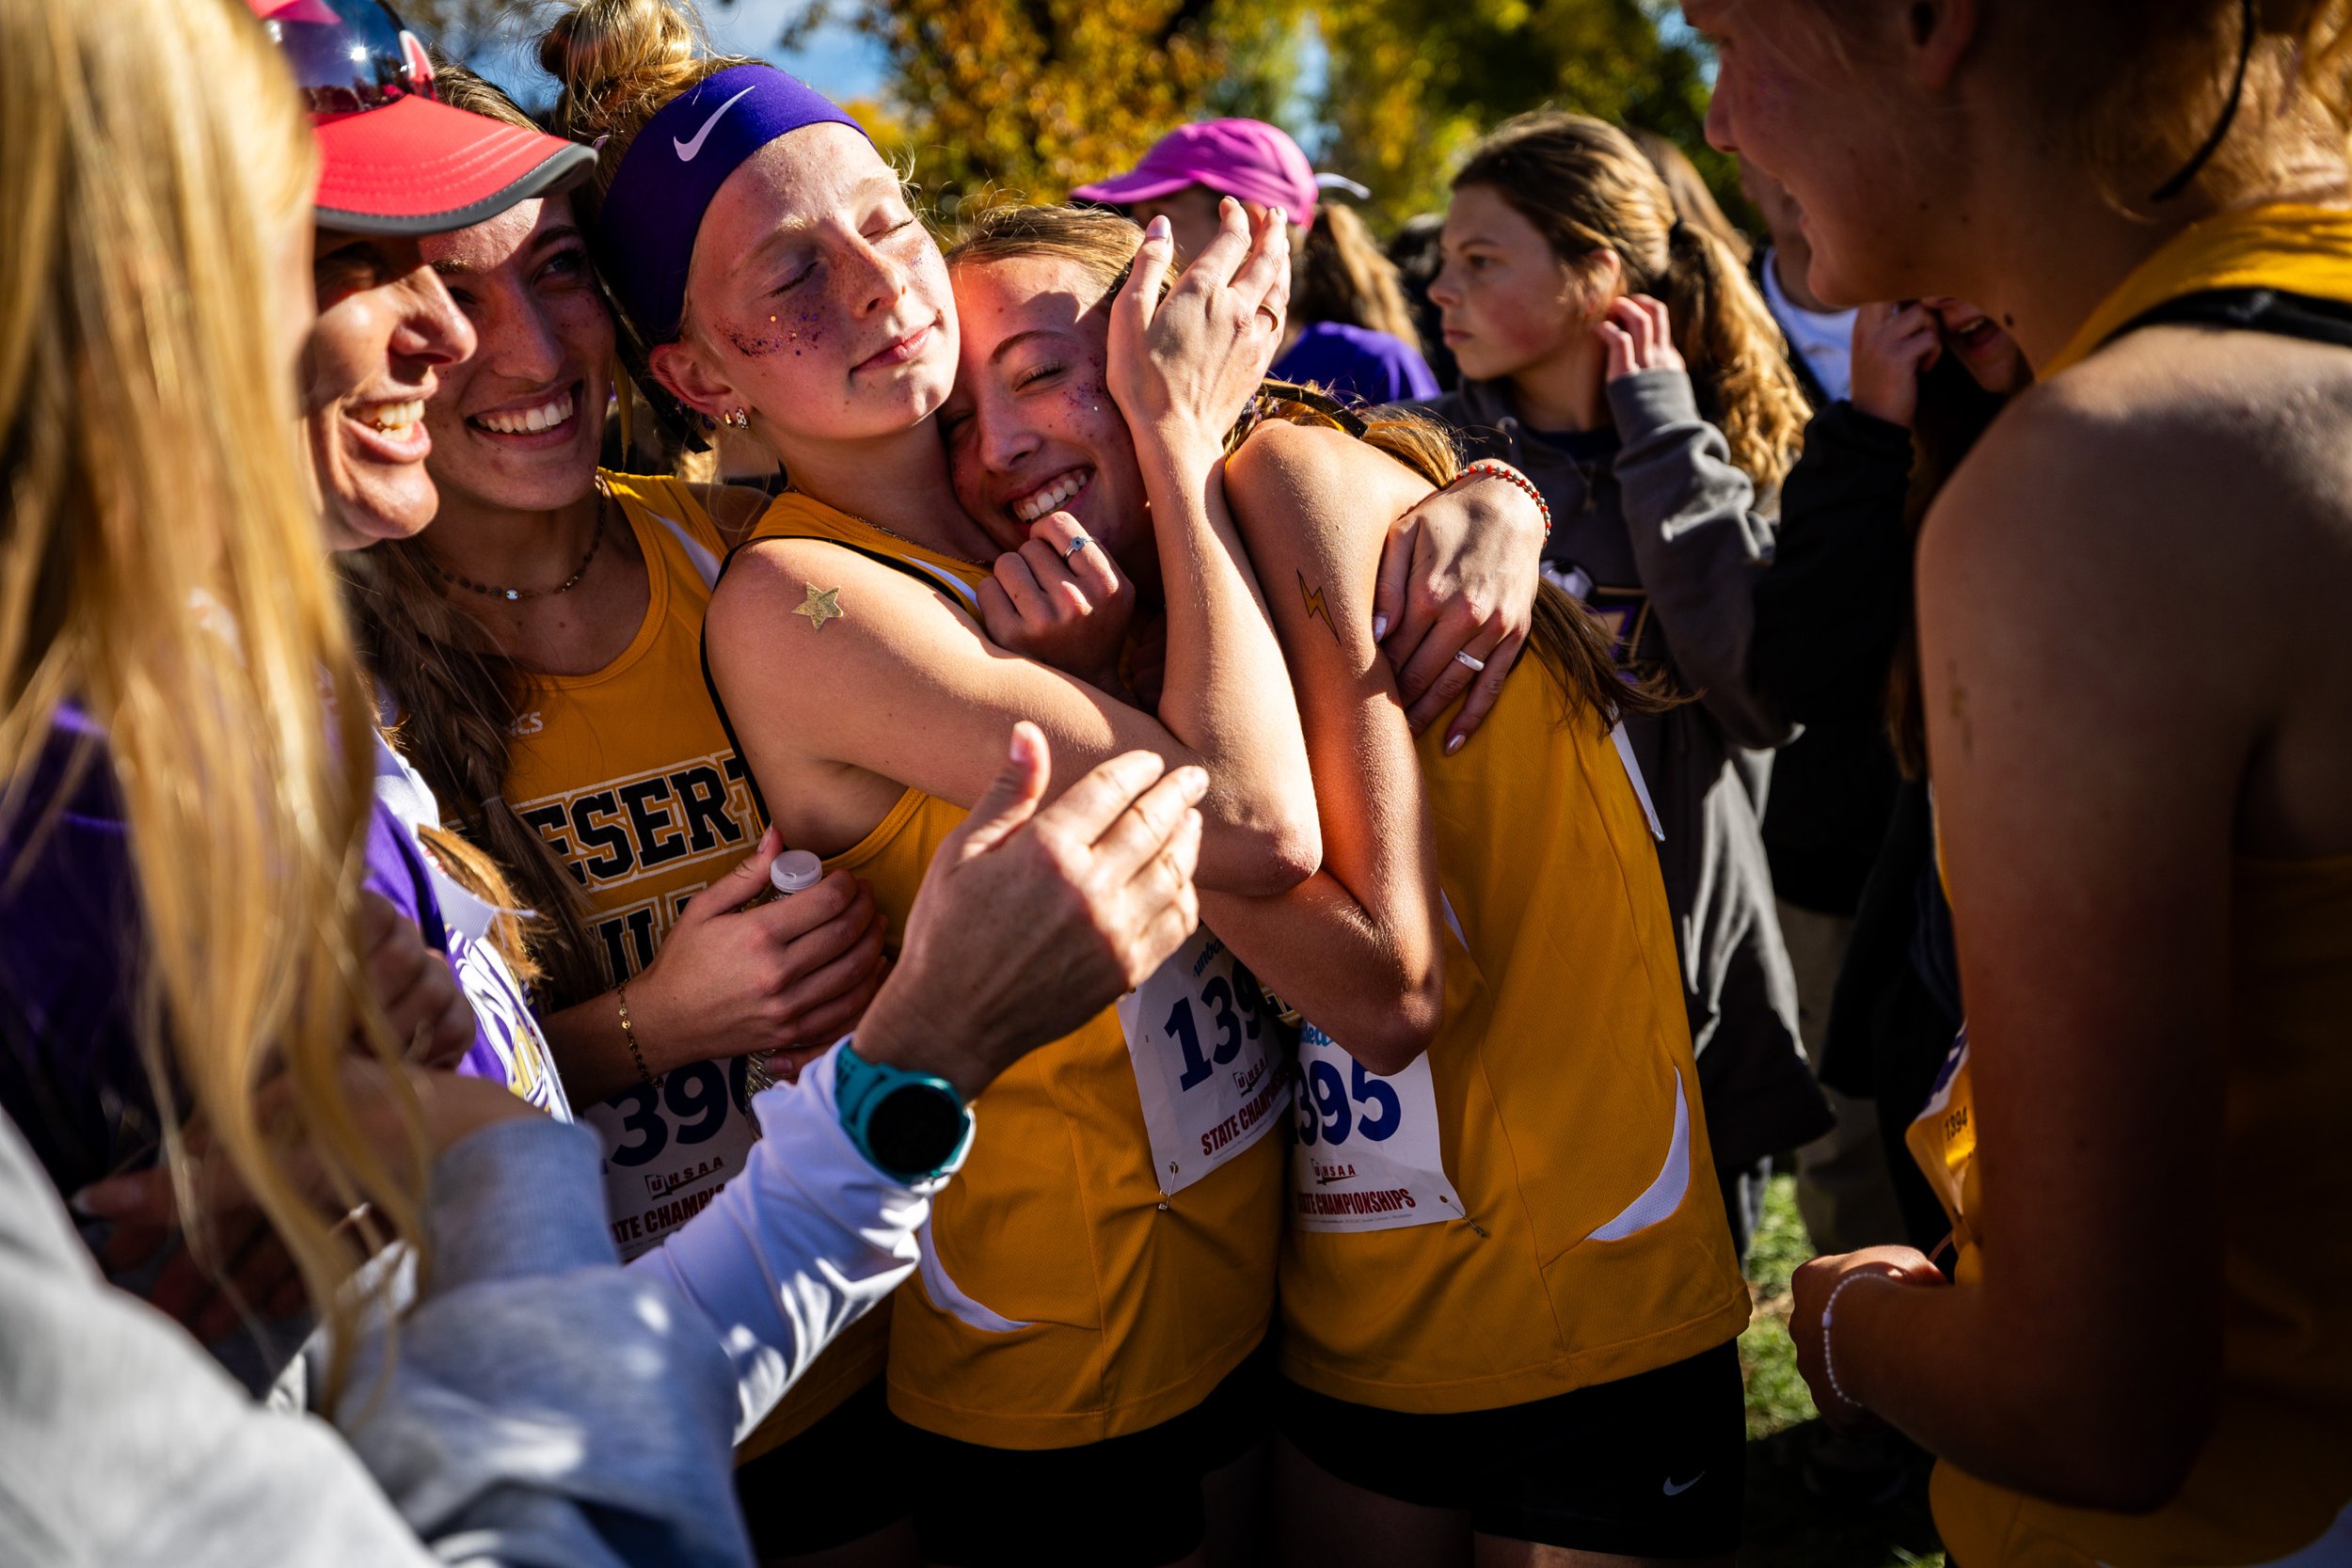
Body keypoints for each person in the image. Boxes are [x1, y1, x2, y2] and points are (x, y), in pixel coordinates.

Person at [0, 0, 1206, 1559]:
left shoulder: (738, 550)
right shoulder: (122, 791)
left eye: (549, 268)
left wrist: (1448, 474)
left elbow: (1028, 414)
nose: (462, 337)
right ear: (125, 298)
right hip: (654, 1398)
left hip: (857, 1364)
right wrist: (628, 1050)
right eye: (369, 266)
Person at [532, 11, 1547, 1560]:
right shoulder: (801, 598)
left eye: (887, 220)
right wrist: (1171, 420)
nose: (878, 280)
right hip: (1055, 1363)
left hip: (1235, 1274)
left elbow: (1306, 479)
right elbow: (1255, 825)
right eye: (793, 275)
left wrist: (1491, 489)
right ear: (695, 370)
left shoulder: (994, 500)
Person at [943, 200, 1754, 1567]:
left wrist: (1175, 460)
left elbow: (1387, 989)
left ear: (1171, 347)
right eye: (958, 414)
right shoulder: (1157, 579)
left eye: (1038, 371)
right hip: (1354, 1316)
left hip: (1576, 1276)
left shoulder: (1283, 478)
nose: (1001, 443)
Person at [1692, 1, 2352, 1561]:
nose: (1719, 116)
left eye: (1728, 31)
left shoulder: (2103, 482)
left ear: (1927, 24)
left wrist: (1845, 1323)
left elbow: (2091, 1408)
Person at [1423, 109, 1828, 1256]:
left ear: (1598, 270)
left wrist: (1659, 436)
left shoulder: (1715, 454)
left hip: (1696, 971)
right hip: (1507, 970)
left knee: (1699, 1294)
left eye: (1481, 259)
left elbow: (1753, 695)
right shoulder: (1421, 461)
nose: (1441, 288)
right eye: (1443, 260)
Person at [1075, 119, 1441, 406]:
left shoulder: (1376, 368)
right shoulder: (1134, 364)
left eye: (1156, 217)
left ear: (1245, 226)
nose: (1140, 241)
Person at [1740, 157, 1857, 406]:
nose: (1794, 163)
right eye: (1767, 134)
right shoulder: (1723, 342)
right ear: (1744, 175)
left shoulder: (1946, 302)